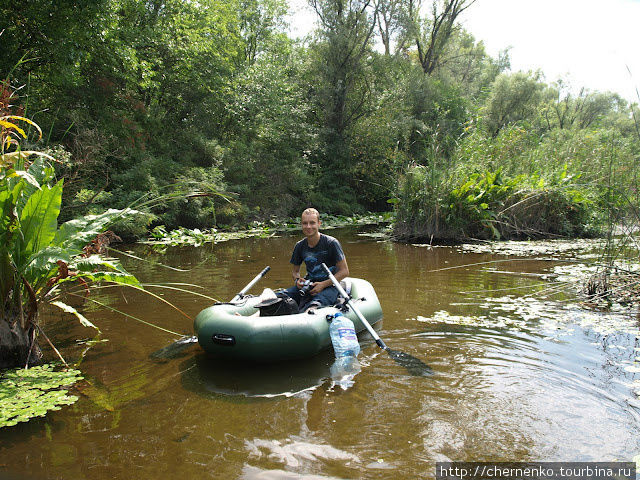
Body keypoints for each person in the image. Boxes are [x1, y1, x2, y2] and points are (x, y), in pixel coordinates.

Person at [280, 208, 349, 311]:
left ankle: (310, 312)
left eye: (312, 223)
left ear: (319, 223)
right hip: (310, 284)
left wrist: (323, 285)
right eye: (305, 223)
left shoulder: (331, 243)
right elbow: (295, 271)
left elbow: (344, 271)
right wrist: (298, 280)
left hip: (331, 285)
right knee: (281, 296)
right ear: (301, 225)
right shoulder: (300, 246)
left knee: (316, 303)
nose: (308, 227)